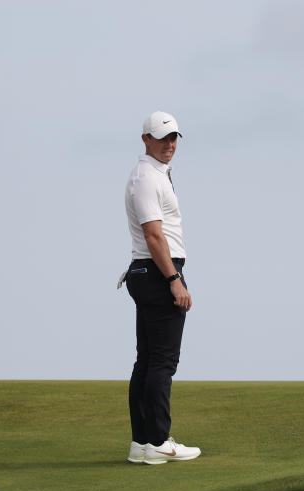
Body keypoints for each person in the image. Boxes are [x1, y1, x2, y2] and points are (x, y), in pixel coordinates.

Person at [121, 111, 201, 466]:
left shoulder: (153, 175)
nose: (170, 145)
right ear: (145, 140)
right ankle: (157, 441)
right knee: (162, 362)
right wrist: (174, 280)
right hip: (157, 272)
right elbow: (154, 235)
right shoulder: (147, 178)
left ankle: (142, 443)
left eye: (174, 139)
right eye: (162, 138)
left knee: (149, 360)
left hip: (147, 272)